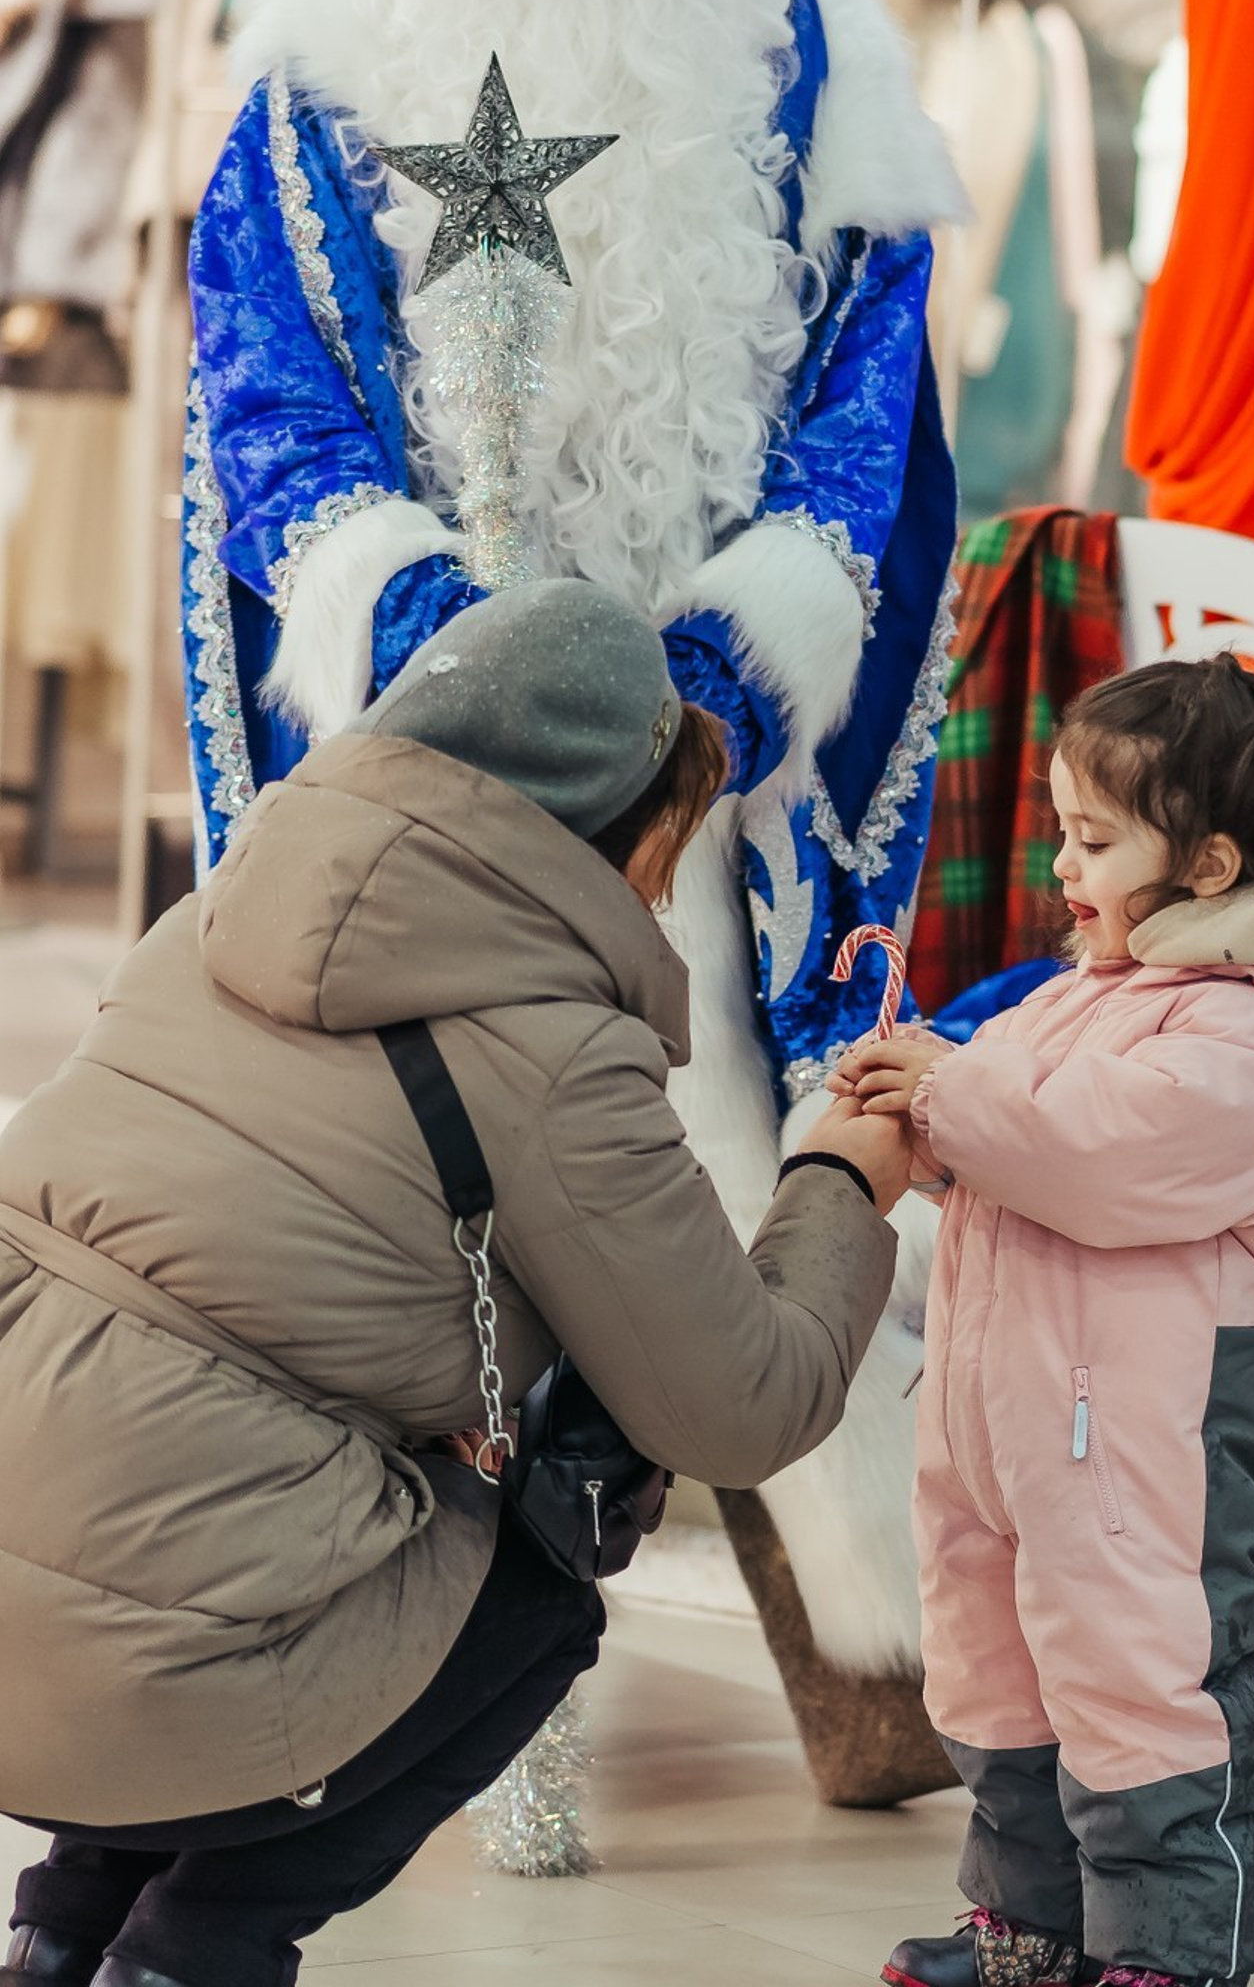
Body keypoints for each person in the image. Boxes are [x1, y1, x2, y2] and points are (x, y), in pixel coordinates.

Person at [181, 0, 967, 1683]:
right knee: (418, 1206)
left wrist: (729, 666)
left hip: (711, 753)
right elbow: (267, 392)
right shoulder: (332, 57)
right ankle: (430, 1659)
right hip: (435, 740)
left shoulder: (806, 36)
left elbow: (867, 383)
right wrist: (433, 635)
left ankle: (868, 1658)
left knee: (731, 1156)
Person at [0, 579, 917, 1987]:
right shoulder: (556, 1050)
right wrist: (840, 1181)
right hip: (143, 1693)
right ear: (637, 824)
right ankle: (195, 1954)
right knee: (538, 1601)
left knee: (169, 1477)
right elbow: (740, 1409)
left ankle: (58, 1939)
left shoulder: (206, 924)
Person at [833, 657, 1254, 1987]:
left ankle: (1170, 1952)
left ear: (1209, 865)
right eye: (1062, 831)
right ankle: (1033, 1928)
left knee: (1147, 1679)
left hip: (1153, 1442)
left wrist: (951, 1096)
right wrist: (918, 1114)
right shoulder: (1079, 994)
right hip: (1011, 1429)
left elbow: (1098, 1152)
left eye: (1094, 841)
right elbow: (1011, 1141)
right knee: (998, 1673)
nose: (1063, 864)